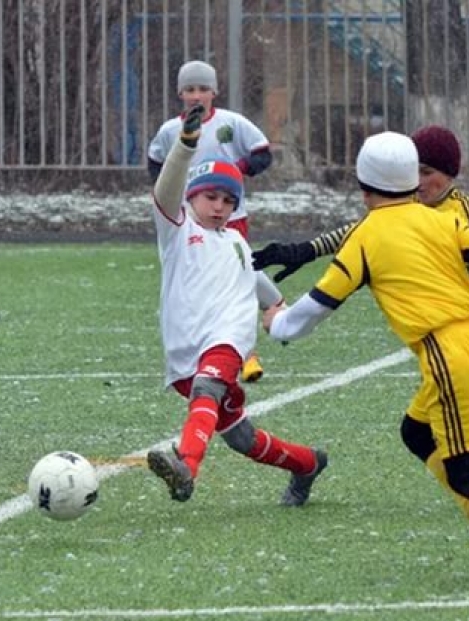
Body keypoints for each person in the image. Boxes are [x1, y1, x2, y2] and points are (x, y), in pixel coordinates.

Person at [263, 130, 469, 590]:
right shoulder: (440, 218)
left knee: (467, 472)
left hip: (447, 352)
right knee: (416, 431)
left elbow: (313, 310)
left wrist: (277, 323)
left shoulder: (365, 236)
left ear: (363, 188)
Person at [145, 103, 327, 507]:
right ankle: (307, 463)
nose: (220, 206)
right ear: (193, 197)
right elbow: (165, 190)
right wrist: (184, 147)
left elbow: (263, 288)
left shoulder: (237, 243)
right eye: (211, 196)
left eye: (229, 200)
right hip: (184, 349)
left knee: (207, 386)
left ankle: (186, 468)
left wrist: (275, 309)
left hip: (227, 338)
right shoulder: (177, 230)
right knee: (240, 437)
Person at [147, 60, 278, 383]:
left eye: (203, 88)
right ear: (180, 93)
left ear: (214, 92)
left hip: (231, 218)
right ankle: (203, 348)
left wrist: (233, 174)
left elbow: (263, 152)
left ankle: (247, 354)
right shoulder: (169, 131)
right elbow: (156, 163)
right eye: (190, 89)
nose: (196, 95)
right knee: (199, 286)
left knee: (239, 281)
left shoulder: (231, 124)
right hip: (188, 221)